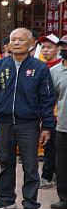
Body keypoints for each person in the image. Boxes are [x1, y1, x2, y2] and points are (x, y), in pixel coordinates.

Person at [0, 28, 56, 209]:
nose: (16, 43)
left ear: (31, 44)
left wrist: (47, 126)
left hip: (29, 124)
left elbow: (47, 99)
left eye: (21, 40)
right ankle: (6, 198)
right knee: (6, 162)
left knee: (30, 166)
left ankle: (30, 204)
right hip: (4, 122)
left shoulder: (39, 68)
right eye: (13, 39)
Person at [38, 34, 61, 188]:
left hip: (57, 115)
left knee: (54, 149)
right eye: (43, 47)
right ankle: (48, 176)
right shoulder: (40, 66)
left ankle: (49, 176)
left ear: (58, 49)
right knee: (48, 147)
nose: (45, 51)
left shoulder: (60, 67)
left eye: (49, 47)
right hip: (44, 115)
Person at [49, 39, 67, 209]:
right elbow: (50, 98)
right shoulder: (55, 71)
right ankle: (64, 198)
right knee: (62, 164)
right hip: (63, 124)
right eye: (64, 47)